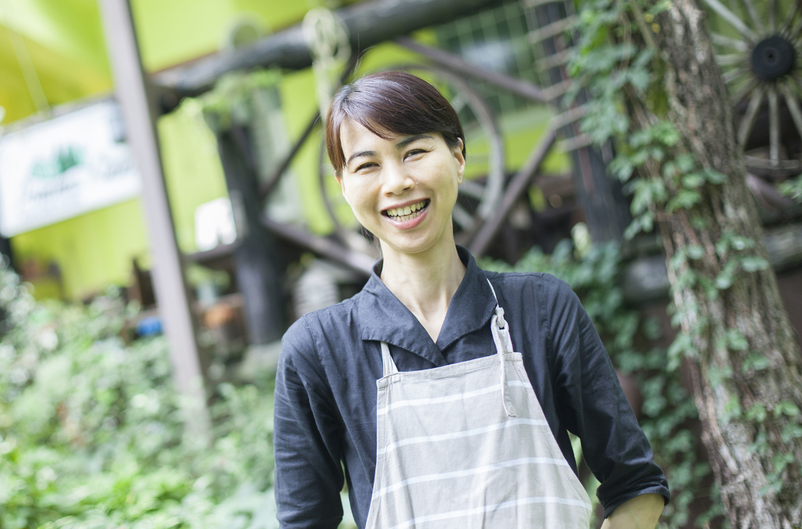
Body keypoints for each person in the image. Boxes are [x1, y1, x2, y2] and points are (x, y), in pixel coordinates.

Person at [273, 71, 669, 529]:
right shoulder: (318, 349)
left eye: (415, 152)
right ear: (343, 185)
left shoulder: (540, 308)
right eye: (367, 165)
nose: (398, 181)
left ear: (458, 156)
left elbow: (636, 484)